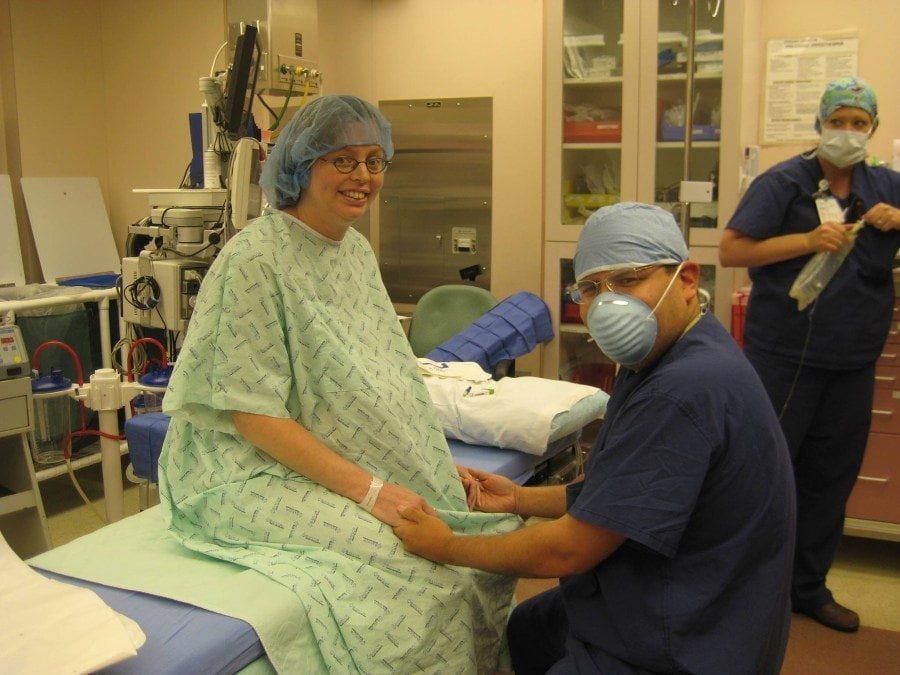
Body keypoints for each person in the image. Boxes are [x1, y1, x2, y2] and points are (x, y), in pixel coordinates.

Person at [157, 95, 522, 673]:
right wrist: (373, 492)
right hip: (243, 472)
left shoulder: (353, 251)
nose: (363, 177)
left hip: (327, 454)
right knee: (416, 570)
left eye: (375, 160)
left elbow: (384, 374)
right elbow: (251, 413)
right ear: (302, 166)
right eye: (344, 160)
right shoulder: (253, 260)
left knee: (478, 546)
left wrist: (420, 459)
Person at [395, 202, 797, 674]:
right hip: (674, 591)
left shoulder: (684, 389)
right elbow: (625, 489)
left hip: (686, 636)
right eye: (590, 288)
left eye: (628, 280)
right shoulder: (663, 356)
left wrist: (445, 546)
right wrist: (520, 500)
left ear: (686, 280)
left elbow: (570, 548)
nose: (607, 304)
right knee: (526, 631)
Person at [720, 76, 900, 633]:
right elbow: (731, 249)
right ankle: (740, 587)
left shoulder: (886, 185)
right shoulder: (784, 184)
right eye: (838, 121)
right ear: (820, 124)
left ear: (873, 130)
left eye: (858, 123)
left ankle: (808, 589)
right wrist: (807, 240)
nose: (847, 132)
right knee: (766, 472)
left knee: (830, 479)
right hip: (785, 356)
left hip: (852, 360)